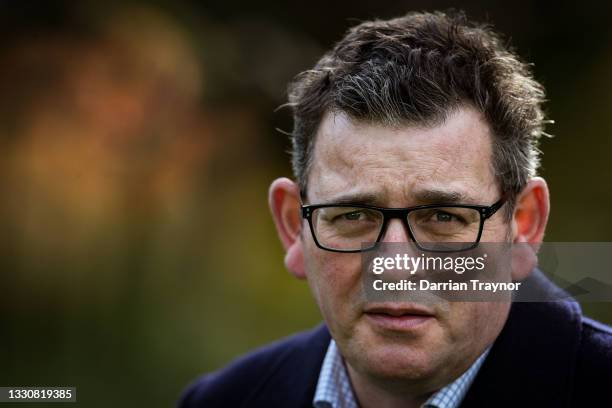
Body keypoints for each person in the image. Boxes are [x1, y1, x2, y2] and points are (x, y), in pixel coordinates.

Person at [179, 10, 612, 407]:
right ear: (295, 227)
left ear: (523, 224)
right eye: (353, 216)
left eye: (443, 217)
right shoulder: (224, 400)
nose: (396, 265)